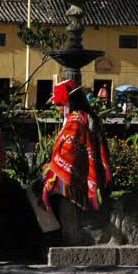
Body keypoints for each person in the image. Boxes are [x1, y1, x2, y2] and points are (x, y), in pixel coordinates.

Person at [42, 79, 112, 213]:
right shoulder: (87, 116)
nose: (57, 108)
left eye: (59, 104)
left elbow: (69, 156)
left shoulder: (76, 122)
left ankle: (51, 229)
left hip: (79, 182)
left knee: (40, 193)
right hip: (93, 176)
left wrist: (50, 176)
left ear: (69, 102)